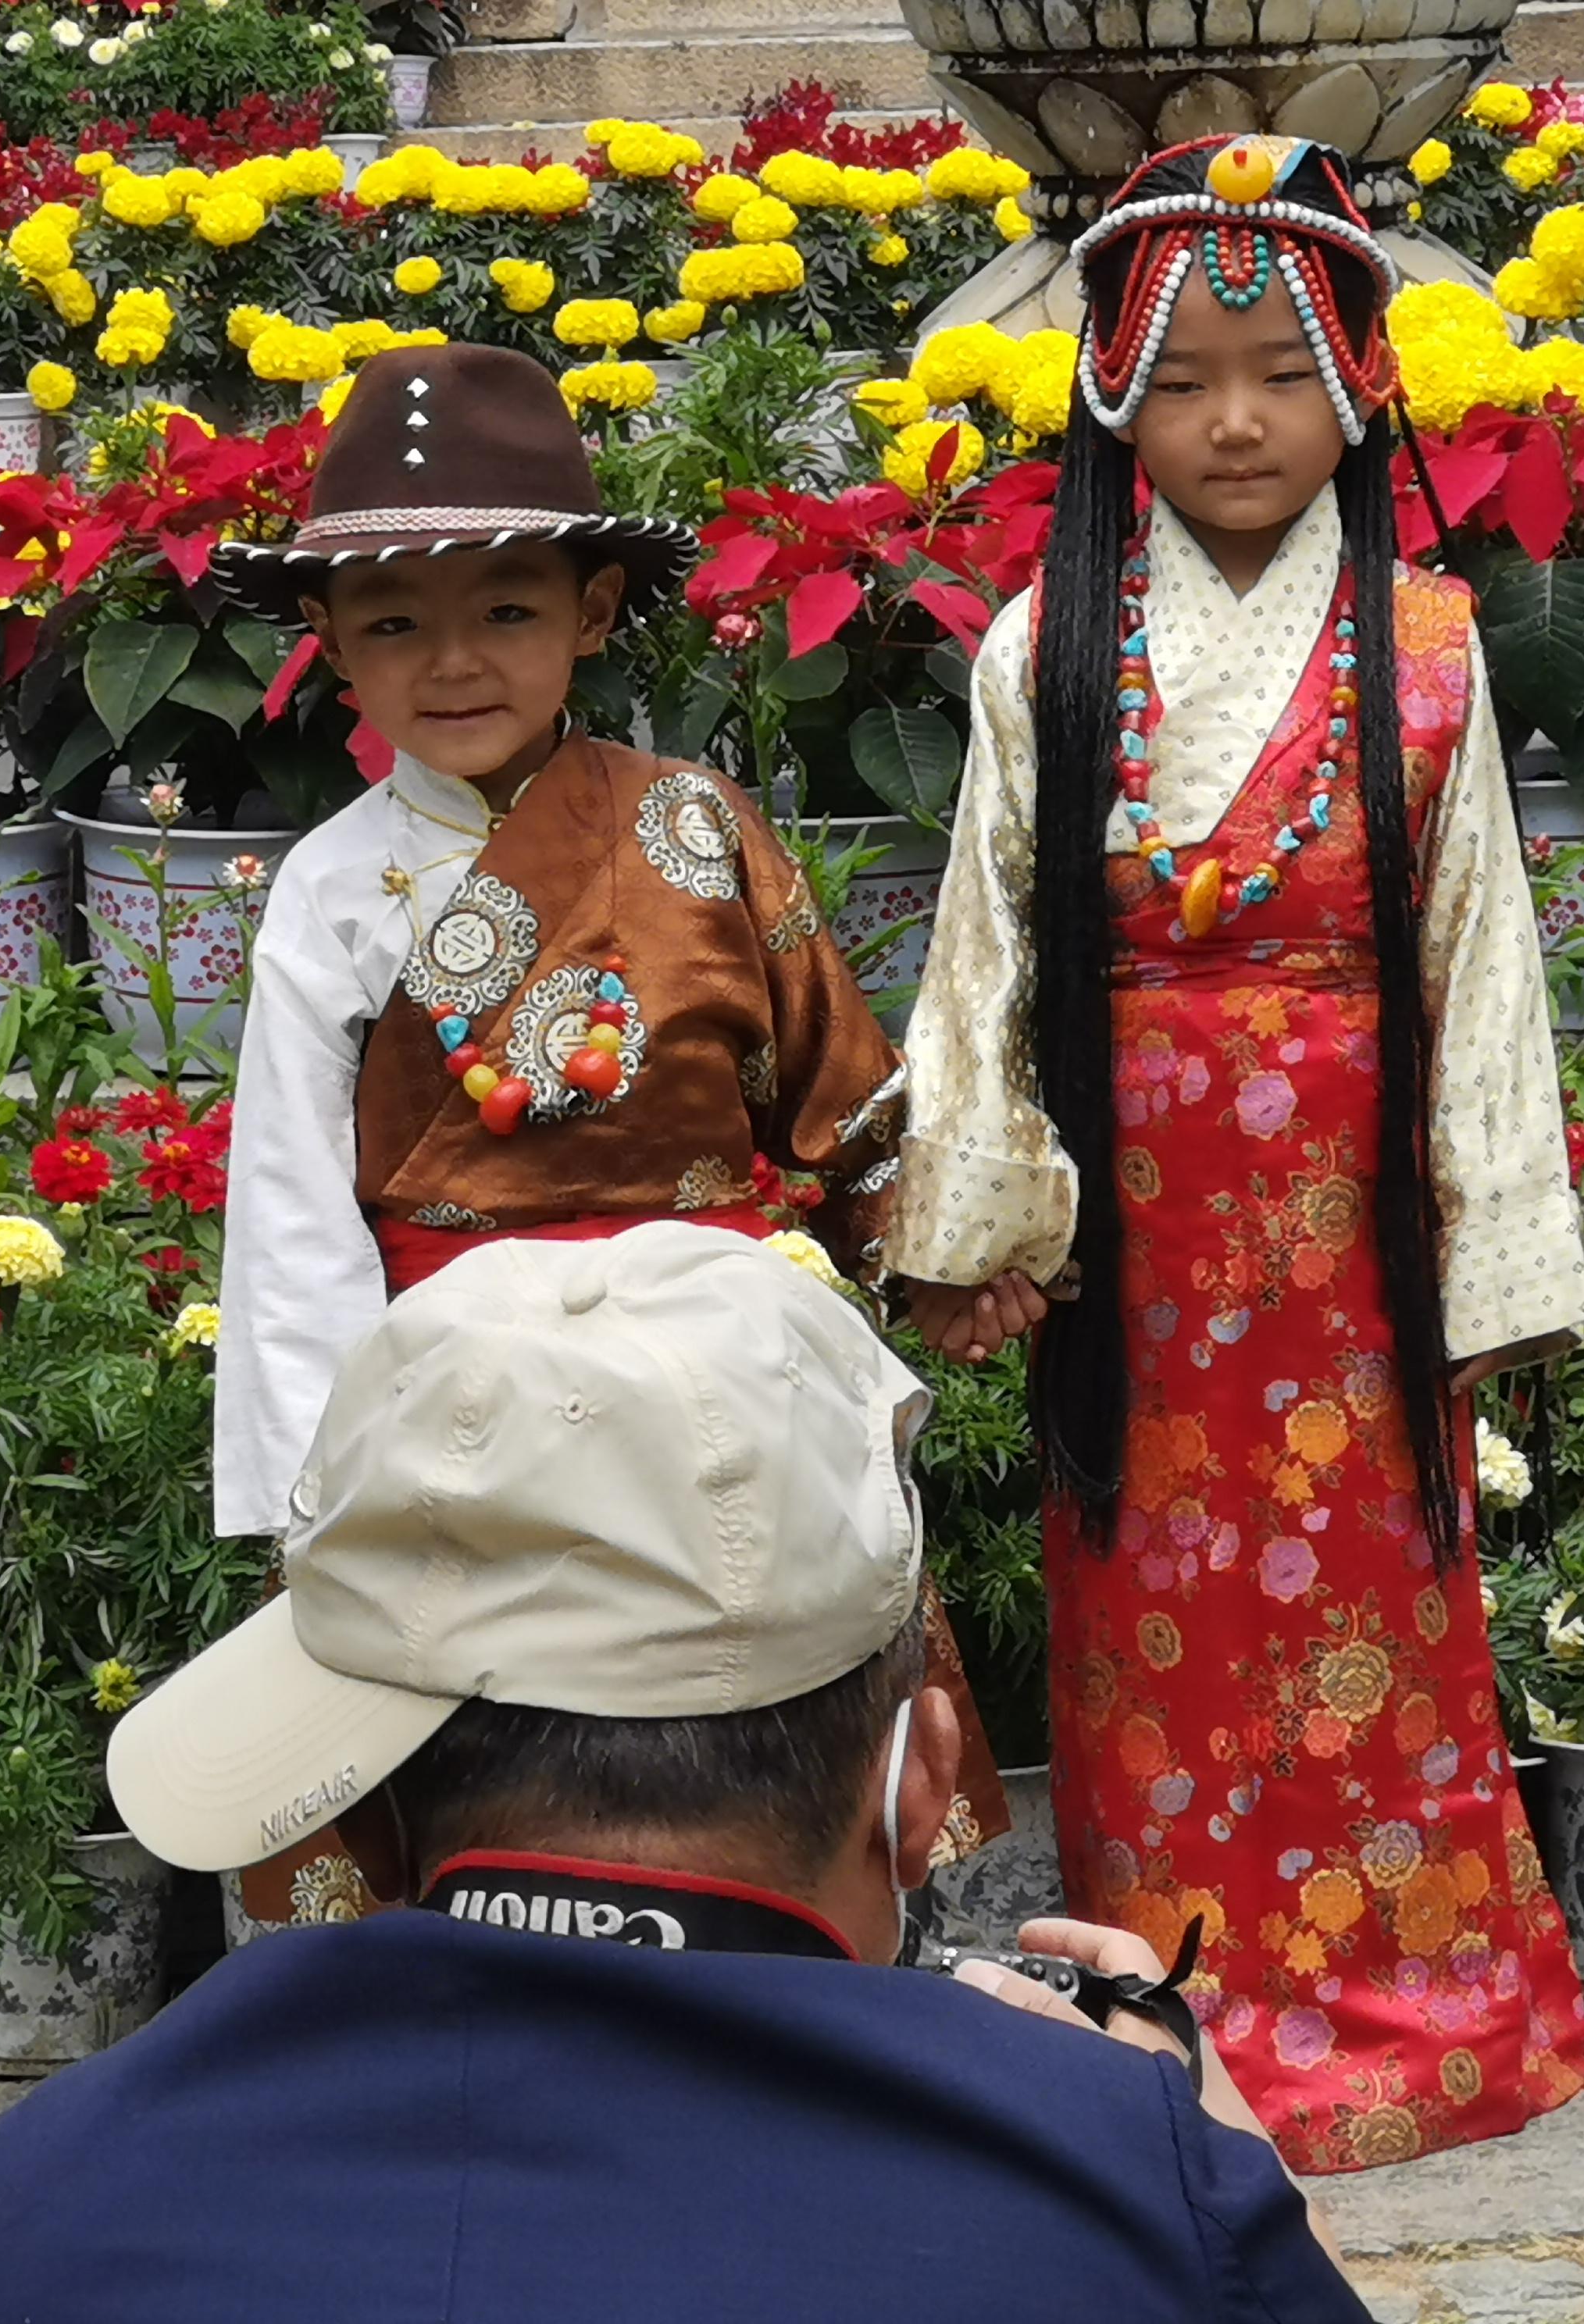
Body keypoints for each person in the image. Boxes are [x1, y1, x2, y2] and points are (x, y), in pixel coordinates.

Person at [0, 1228, 1371, 2324]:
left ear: (353, 1817)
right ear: (922, 1789)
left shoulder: (40, 2215)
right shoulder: (1125, 2221)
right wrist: (1201, 2166)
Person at [890, 136, 1584, 2172]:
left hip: (1350, 1250)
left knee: (1376, 1614)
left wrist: (1497, 1267)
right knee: (1148, 1615)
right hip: (1139, 1259)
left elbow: (1486, 980)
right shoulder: (1042, 652)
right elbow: (986, 953)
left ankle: (1421, 2003)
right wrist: (985, 1211)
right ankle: (1164, 1997)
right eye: (1188, 373)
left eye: (1276, 373)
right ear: (1114, 383)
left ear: (1360, 385)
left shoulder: (1436, 650)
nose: (1232, 419)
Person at [206, 344, 1002, 1923]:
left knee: (754, 1699)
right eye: (392, 624)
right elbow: (293, 1207)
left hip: (710, 1372)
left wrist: (935, 1256)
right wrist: (318, 1478)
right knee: (481, 1717)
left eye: (506, 609)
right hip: (450, 1384)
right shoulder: (326, 890)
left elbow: (835, 1082)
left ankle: (804, 1961)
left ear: (592, 613)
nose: (453, 662)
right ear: (331, 650)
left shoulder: (694, 828)